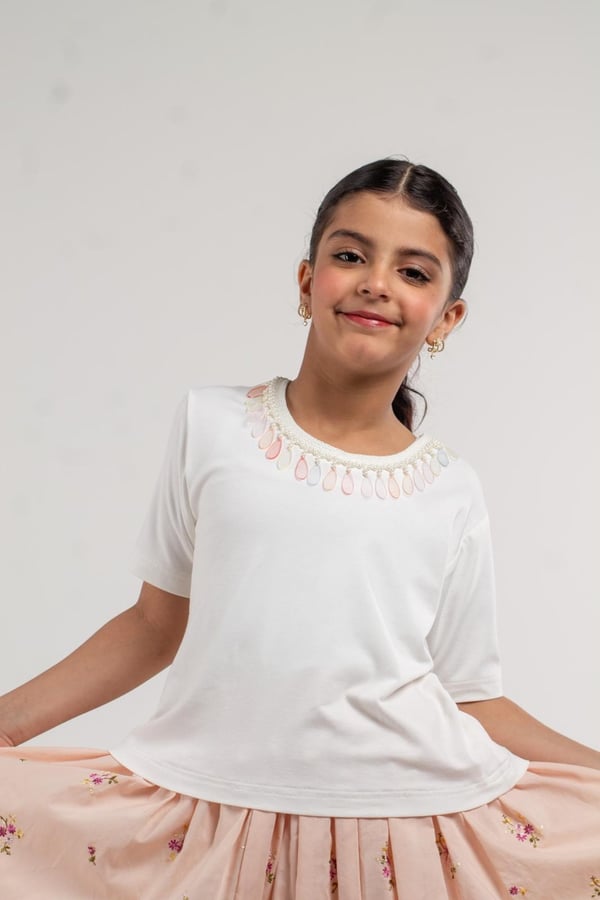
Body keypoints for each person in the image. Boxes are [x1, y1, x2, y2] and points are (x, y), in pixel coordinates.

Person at [0, 158, 598, 900]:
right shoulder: (211, 425)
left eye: (413, 272)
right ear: (307, 280)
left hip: (403, 827)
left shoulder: (450, 488)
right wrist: (7, 722)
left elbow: (472, 697)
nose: (376, 282)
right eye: (351, 256)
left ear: (447, 318)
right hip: (212, 809)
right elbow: (155, 626)